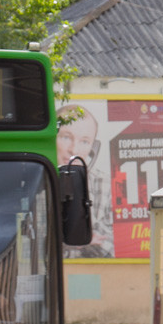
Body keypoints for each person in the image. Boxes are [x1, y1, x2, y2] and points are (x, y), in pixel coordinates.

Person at [56, 104, 113, 257]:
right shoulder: (36, 178)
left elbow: (108, 246)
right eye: (66, 137)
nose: (74, 150)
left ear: (93, 147)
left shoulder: (106, 185)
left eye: (84, 141)